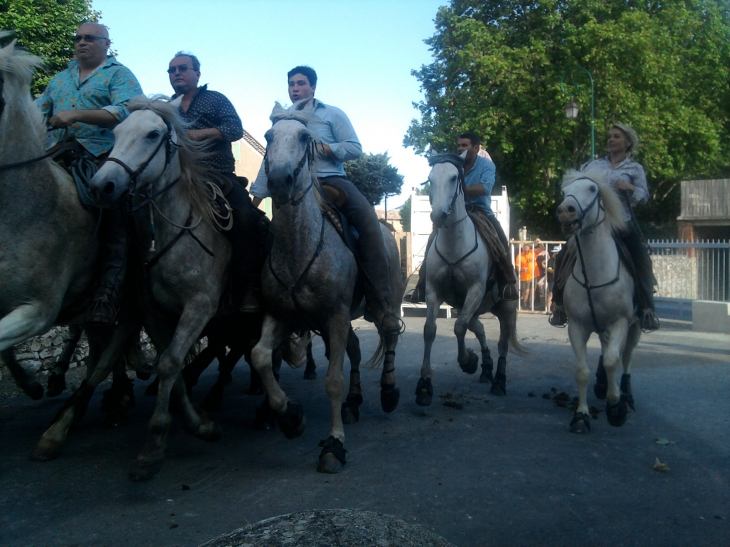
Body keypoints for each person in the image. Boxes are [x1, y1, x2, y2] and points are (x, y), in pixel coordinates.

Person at [249, 66, 400, 334]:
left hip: (331, 181)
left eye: (301, 83)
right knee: (267, 233)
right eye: (291, 84)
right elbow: (271, 160)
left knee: (367, 221)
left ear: (313, 87)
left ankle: (381, 301)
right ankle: (264, 296)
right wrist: (256, 201)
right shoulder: (283, 121)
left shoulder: (331, 114)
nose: (295, 88)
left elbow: (355, 148)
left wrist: (328, 148)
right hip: (293, 186)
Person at [38, 22, 143, 325]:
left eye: (89, 38)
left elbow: (130, 110)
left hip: (103, 158)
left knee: (115, 215)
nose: (81, 43)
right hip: (58, 155)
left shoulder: (119, 75)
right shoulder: (60, 79)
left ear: (106, 44)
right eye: (78, 38)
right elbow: (37, 111)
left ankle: (107, 294)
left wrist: (77, 114)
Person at [168, 51, 268, 313]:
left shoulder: (215, 99)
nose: (176, 73)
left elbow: (235, 130)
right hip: (176, 176)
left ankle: (248, 288)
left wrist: (198, 134)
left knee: (246, 219)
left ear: (197, 74)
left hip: (217, 176)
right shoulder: (168, 106)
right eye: (172, 70)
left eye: (182, 68)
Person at [550, 123, 659, 331]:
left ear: (627, 142)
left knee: (641, 257)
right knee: (564, 255)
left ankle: (647, 309)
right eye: (610, 136)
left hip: (619, 224)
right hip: (591, 224)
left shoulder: (634, 169)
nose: (611, 140)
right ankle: (559, 305)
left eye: (616, 137)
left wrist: (630, 187)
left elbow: (644, 196)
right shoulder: (593, 166)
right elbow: (578, 188)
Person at [408, 132, 518, 302]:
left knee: (499, 238)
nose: (460, 149)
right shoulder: (452, 165)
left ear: (476, 148)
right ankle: (421, 286)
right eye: (459, 145)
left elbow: (485, 188)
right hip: (454, 212)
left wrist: (459, 191)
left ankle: (507, 283)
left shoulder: (486, 165)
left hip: (480, 210)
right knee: (432, 241)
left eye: (464, 145)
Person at [515, 243, 535, 309]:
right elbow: (517, 267)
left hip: (533, 275)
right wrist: (521, 269)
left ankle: (531, 305)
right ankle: (525, 304)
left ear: (530, 249)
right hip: (525, 277)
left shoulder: (532, 253)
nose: (526, 252)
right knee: (526, 291)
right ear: (523, 250)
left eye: (527, 251)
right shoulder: (519, 256)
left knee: (532, 291)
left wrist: (539, 242)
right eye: (525, 251)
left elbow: (541, 249)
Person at [544, 245, 560, 314]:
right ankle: (548, 310)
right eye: (555, 252)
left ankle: (557, 309)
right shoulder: (551, 260)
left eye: (557, 252)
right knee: (550, 293)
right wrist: (557, 271)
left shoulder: (561, 259)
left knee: (558, 293)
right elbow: (549, 269)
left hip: (559, 279)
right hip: (552, 279)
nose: (556, 253)